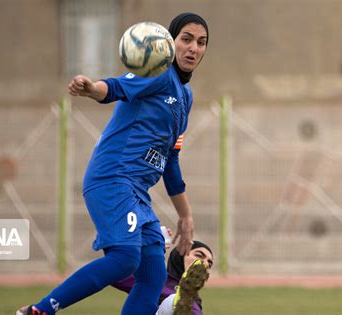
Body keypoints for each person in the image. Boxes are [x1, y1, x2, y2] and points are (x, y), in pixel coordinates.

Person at [17, 12, 209, 315]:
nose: (193, 48)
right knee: (124, 258)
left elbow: (171, 158)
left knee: (151, 277)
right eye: (186, 39)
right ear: (170, 44)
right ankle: (39, 310)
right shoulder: (158, 73)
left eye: (201, 42)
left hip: (137, 193)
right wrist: (93, 89)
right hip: (113, 178)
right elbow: (117, 87)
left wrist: (185, 216)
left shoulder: (185, 95)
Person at [112, 240, 213, 315]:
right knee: (172, 301)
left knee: (178, 303)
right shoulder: (152, 277)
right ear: (180, 255)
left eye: (209, 263)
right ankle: (177, 302)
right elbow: (115, 273)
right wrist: (147, 246)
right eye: (199, 255)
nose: (205, 264)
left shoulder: (195, 301)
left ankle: (178, 302)